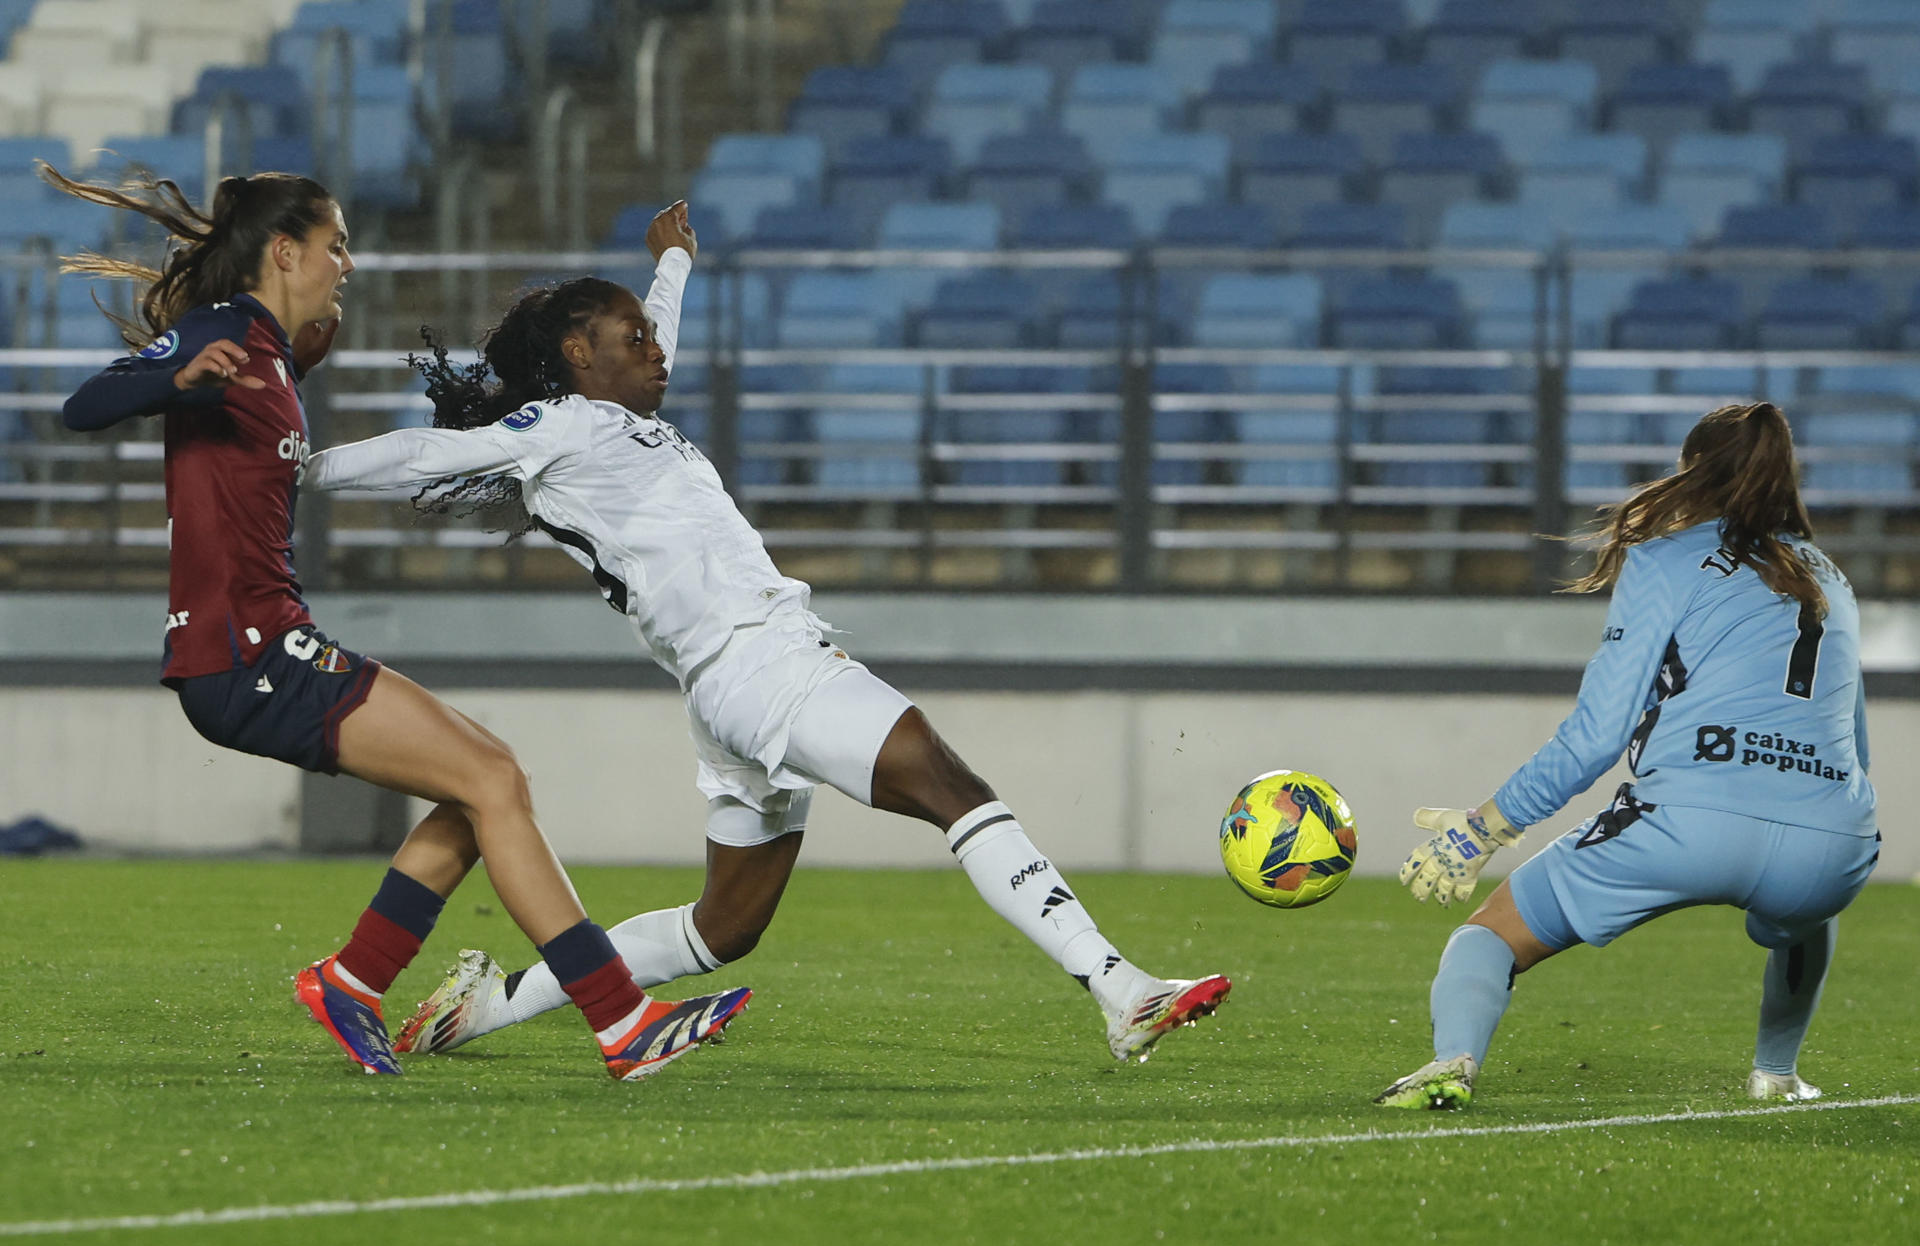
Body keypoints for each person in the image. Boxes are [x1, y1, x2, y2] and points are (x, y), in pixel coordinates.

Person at [301, 201, 1231, 1065]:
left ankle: (490, 1004)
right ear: (581, 354)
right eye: (635, 340)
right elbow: (424, 453)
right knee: (956, 790)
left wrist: (671, 263)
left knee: (725, 926)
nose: (657, 351)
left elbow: (654, 331)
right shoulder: (567, 425)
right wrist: (296, 464)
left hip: (730, 687)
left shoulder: (619, 419)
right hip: (765, 661)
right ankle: (1121, 989)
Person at [50, 166, 745, 1082]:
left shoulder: (268, 348)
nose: (348, 260)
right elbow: (83, 405)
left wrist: (284, 365)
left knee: (481, 790)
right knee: (494, 779)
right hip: (247, 653)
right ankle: (619, 1021)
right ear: (285, 250)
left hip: (265, 643)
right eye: (335, 243)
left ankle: (354, 980)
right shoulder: (222, 335)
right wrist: (174, 376)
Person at [1376, 402, 1878, 1109]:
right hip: (1832, 845)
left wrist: (1483, 828)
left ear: (1690, 474)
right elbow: (1853, 747)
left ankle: (1451, 1063)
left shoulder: (1666, 559)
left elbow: (1596, 737)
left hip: (1691, 822)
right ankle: (1778, 1074)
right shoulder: (1833, 580)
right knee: (1803, 920)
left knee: (1488, 935)